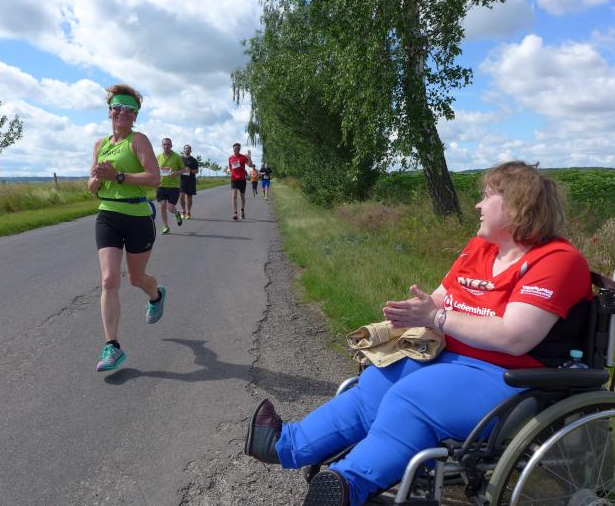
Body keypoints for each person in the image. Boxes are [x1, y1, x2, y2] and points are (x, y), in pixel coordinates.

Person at [243, 161, 592, 506]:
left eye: (487, 196)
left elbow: (515, 337)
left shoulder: (556, 260)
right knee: (377, 381)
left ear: (517, 205)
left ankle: (347, 486)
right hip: (451, 357)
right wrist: (412, 313)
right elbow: (440, 298)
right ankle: (287, 444)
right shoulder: (480, 248)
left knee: (411, 397)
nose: (478, 205)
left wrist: (438, 317)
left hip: (509, 376)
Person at [88, 84, 168, 372]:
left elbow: (155, 178)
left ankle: (156, 295)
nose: (123, 112)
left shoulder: (138, 140)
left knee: (135, 278)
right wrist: (99, 178)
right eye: (118, 107)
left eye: (129, 109)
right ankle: (112, 346)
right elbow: (91, 186)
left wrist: (119, 176)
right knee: (109, 279)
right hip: (107, 214)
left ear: (135, 116)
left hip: (137, 216)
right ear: (110, 111)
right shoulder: (100, 144)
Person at [156, 137, 186, 234]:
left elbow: (184, 169)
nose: (166, 146)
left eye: (168, 144)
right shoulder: (158, 156)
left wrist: (176, 173)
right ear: (162, 145)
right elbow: (155, 169)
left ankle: (177, 213)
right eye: (164, 144)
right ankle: (166, 226)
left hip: (173, 187)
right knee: (162, 206)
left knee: (170, 207)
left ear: (171, 146)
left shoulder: (177, 157)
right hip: (161, 185)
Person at [228, 143, 251, 220]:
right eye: (235, 148)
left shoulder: (243, 157)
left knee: (242, 196)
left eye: (238, 148)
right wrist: (230, 172)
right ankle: (235, 213)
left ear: (239, 149)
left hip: (242, 179)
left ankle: (242, 210)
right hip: (234, 179)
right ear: (233, 149)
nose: (236, 149)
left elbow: (250, 165)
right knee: (234, 195)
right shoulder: (230, 158)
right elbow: (230, 168)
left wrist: (249, 158)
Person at [179, 144, 199, 219]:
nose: (187, 149)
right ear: (183, 150)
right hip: (182, 180)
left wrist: (190, 170)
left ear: (190, 150)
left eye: (188, 148)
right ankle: (183, 211)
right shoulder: (180, 159)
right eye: (186, 148)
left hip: (191, 181)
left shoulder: (194, 160)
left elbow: (196, 171)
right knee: (181, 196)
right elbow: (177, 169)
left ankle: (188, 212)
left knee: (189, 198)